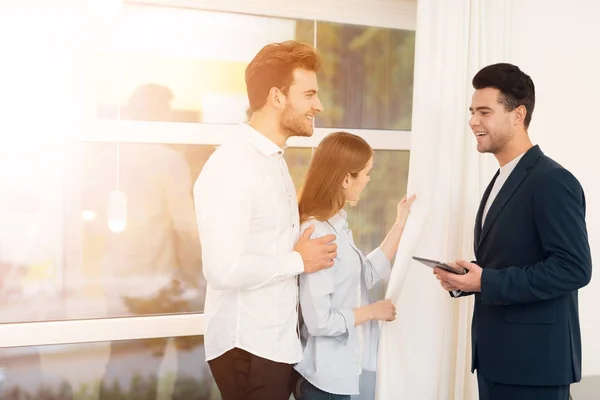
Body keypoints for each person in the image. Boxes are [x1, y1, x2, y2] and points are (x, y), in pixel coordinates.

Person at [433, 63, 592, 400]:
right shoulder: (502, 177)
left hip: (534, 366)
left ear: (518, 115)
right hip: (498, 361)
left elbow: (573, 268)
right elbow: (513, 258)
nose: (473, 121)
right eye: (472, 111)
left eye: (484, 111)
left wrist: (485, 281)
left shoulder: (551, 180)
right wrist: (468, 277)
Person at [194, 41, 338, 400]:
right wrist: (298, 261)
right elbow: (222, 269)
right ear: (277, 96)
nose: (317, 106)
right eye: (309, 94)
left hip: (275, 346)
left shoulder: (272, 160)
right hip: (248, 349)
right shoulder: (235, 165)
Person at [291, 131, 415, 400]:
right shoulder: (316, 233)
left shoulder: (338, 227)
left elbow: (365, 273)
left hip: (340, 378)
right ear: (347, 178)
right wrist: (372, 311)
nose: (369, 180)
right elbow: (319, 322)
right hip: (321, 384)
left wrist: (401, 223)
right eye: (367, 173)